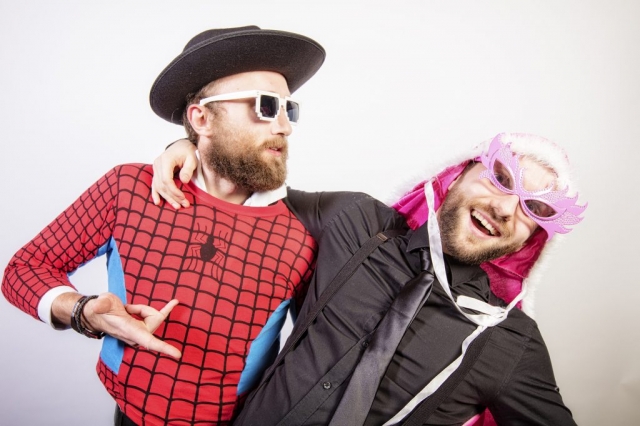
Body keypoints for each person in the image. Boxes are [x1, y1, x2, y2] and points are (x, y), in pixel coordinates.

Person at [1, 25, 325, 426]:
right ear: (201, 118)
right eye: (266, 106)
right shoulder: (129, 188)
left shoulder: (304, 232)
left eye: (289, 109)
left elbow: (318, 353)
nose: (284, 127)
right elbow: (24, 268)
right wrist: (83, 312)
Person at [153, 132, 585, 425]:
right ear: (458, 173)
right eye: (500, 179)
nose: (505, 208)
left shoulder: (509, 342)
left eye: (535, 209)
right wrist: (189, 146)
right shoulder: (355, 221)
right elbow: (243, 194)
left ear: (534, 237)